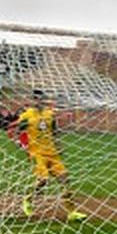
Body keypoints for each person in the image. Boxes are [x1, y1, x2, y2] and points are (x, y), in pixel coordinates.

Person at [16, 94, 85, 222]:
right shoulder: (27, 115)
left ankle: (72, 212)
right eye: (35, 99)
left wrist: (59, 146)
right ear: (32, 101)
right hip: (38, 153)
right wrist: (23, 145)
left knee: (65, 180)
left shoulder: (49, 114)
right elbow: (18, 131)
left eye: (41, 98)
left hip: (52, 153)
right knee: (43, 180)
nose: (39, 101)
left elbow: (54, 132)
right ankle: (28, 199)